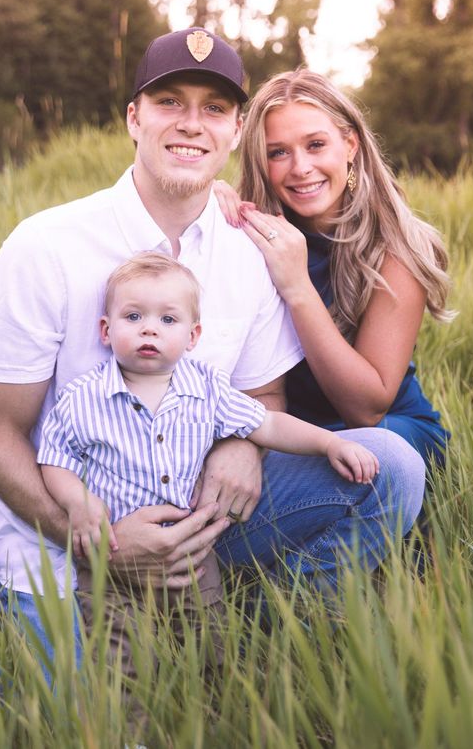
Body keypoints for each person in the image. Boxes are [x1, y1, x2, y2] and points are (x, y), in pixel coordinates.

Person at [0, 27, 426, 678]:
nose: (190, 124)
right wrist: (102, 545)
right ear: (134, 117)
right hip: (68, 535)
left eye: (212, 108)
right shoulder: (45, 247)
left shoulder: (248, 253)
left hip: (201, 522)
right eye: (168, 103)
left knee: (391, 468)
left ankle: (254, 644)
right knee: (88, 730)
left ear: (235, 130)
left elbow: (262, 395)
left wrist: (240, 446)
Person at [37, 251, 379, 677]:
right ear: (106, 331)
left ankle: (211, 708)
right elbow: (54, 459)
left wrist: (328, 443)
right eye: (133, 316)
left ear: (193, 335)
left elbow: (267, 424)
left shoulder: (208, 389)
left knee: (211, 646)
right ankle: (131, 733)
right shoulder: (83, 398)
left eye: (168, 320)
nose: (149, 328)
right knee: (118, 659)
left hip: (197, 559)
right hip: (116, 563)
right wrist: (78, 502)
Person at [215, 68, 451, 469]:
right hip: (287, 430)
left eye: (316, 145)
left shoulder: (397, 249)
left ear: (350, 145)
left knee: (375, 452)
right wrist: (207, 197)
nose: (300, 167)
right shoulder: (252, 232)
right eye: (278, 152)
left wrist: (298, 287)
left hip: (384, 435)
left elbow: (366, 409)